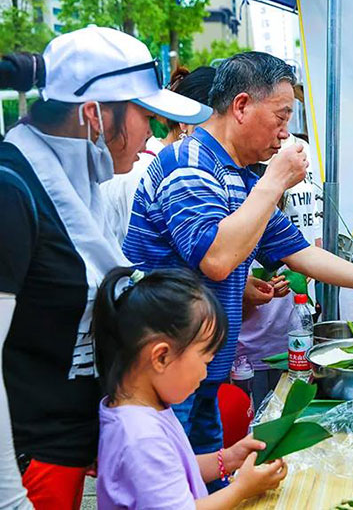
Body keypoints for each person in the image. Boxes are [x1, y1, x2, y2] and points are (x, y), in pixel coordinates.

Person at [123, 51, 353, 462]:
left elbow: (295, 250)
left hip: (198, 366)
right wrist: (276, 180)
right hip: (162, 368)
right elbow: (217, 258)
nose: (284, 135)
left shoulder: (242, 177)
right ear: (241, 106)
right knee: (166, 484)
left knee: (201, 476)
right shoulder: (189, 165)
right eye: (280, 118)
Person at [0, 27, 211, 509]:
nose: (152, 137)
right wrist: (10, 498)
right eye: (145, 117)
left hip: (68, 457)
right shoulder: (12, 192)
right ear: (94, 114)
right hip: (26, 465)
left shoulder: (83, 189)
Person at [93, 267, 287, 508]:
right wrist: (241, 489)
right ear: (161, 357)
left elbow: (175, 467)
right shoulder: (141, 437)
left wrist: (228, 458)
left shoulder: (145, 410)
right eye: (205, 361)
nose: (206, 373)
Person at [238, 132, 323, 409]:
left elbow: (308, 258)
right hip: (244, 356)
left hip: (285, 346)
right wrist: (245, 291)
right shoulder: (236, 227)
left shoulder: (277, 224)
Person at [102, 65, 218, 246]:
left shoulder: (179, 169)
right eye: (217, 127)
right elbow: (143, 264)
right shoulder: (142, 172)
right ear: (185, 122)